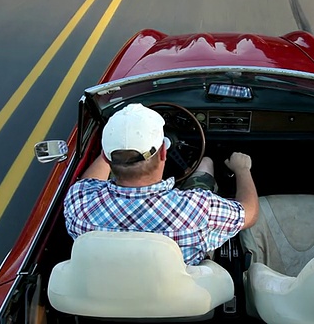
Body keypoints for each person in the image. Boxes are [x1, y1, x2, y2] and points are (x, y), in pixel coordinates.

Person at [63, 103, 259, 265]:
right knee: (206, 163)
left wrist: (117, 148)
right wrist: (242, 170)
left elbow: (91, 181)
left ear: (106, 157)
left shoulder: (80, 202)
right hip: (181, 305)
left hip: (104, 305)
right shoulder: (199, 207)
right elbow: (250, 214)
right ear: (164, 152)